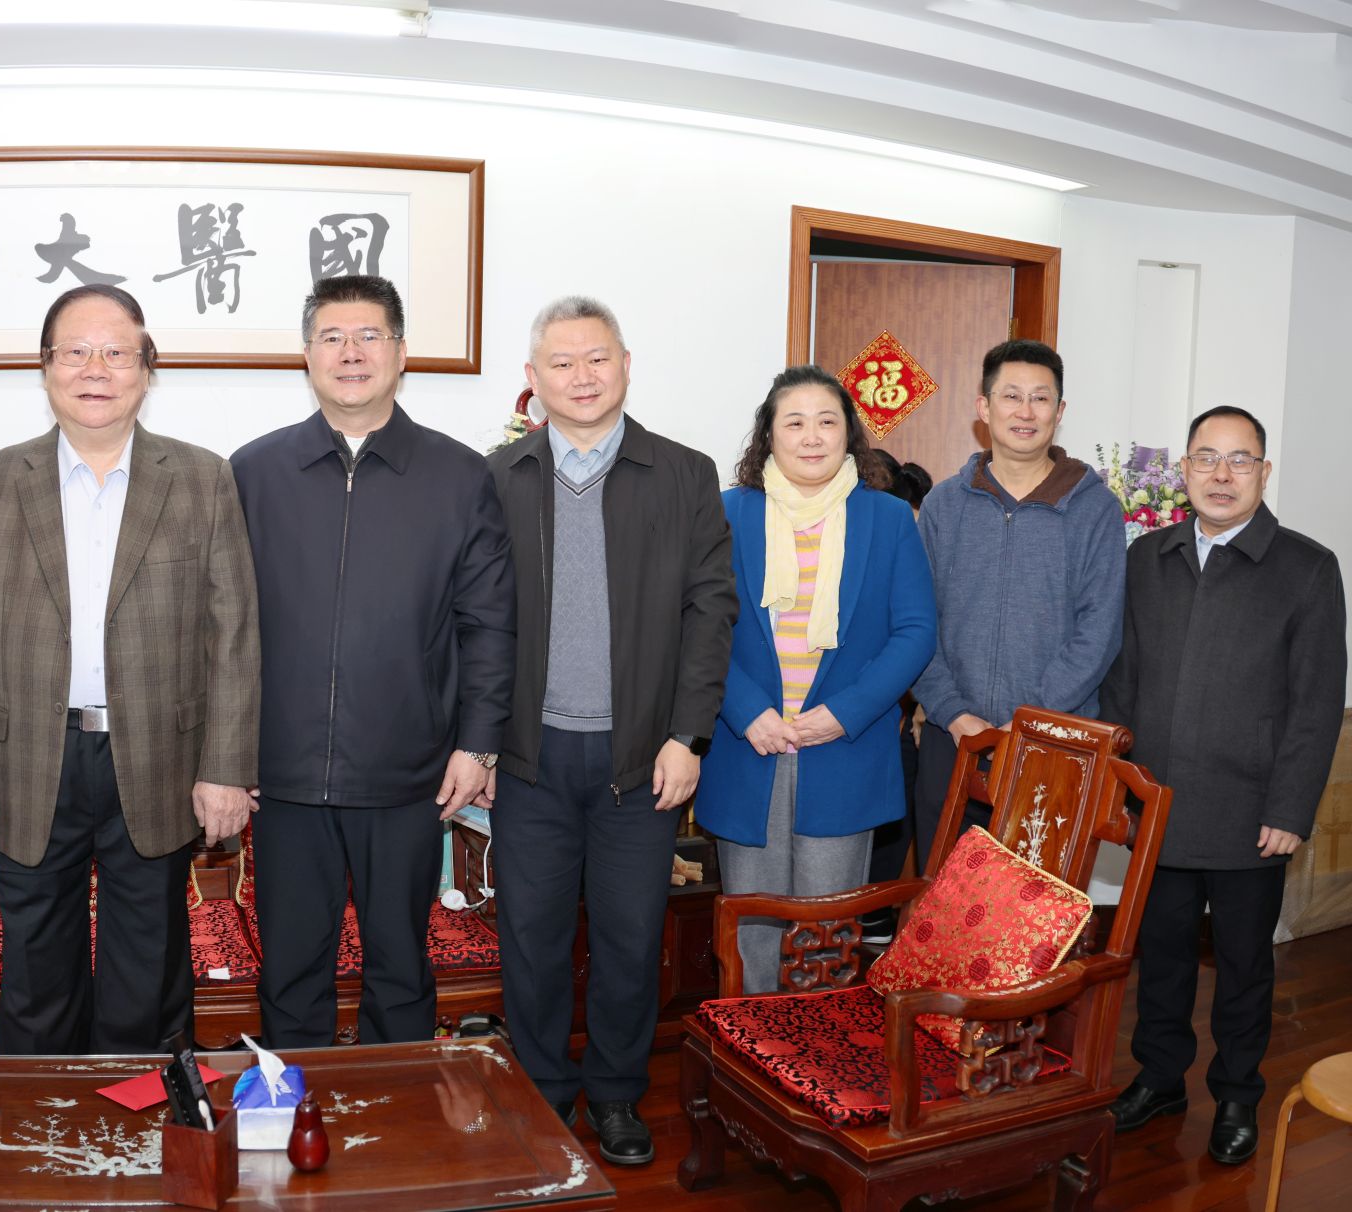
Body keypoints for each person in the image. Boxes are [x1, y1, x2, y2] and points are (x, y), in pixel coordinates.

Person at [0, 284, 260, 1054]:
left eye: (117, 352)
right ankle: (43, 1123)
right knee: (36, 978)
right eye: (75, 351)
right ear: (45, 367)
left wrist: (225, 769)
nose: (95, 369)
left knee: (148, 971)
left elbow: (234, 635)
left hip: (159, 759)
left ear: (148, 369)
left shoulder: (203, 479)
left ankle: (142, 1121)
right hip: (25, 759)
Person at [230, 274, 515, 1049]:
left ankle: (397, 1108)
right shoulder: (254, 472)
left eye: (368, 336)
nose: (350, 353)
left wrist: (478, 744)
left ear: (400, 352)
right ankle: (291, 1104)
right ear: (307, 354)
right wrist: (227, 752)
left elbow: (489, 623)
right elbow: (223, 628)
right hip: (282, 776)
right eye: (332, 337)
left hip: (408, 773)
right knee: (291, 969)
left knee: (400, 967)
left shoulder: (459, 476)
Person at [486, 297, 736, 1163]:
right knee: (533, 939)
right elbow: (473, 619)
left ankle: (619, 1095)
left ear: (625, 365)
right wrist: (479, 741)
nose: (581, 376)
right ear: (534, 379)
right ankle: (543, 1094)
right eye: (561, 363)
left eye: (597, 359)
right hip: (529, 755)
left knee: (631, 939)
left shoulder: (683, 473)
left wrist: (687, 735)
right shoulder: (500, 477)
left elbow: (711, 611)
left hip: (643, 757)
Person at [1102, 406, 1345, 1165]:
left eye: (1240, 460)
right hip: (1160, 805)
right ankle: (1160, 1078)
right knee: (1163, 956)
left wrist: (1290, 806)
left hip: (1251, 814)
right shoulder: (1148, 558)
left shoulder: (1307, 567)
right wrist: (1122, 786)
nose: (1221, 473)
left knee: (1243, 965)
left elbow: (1316, 703)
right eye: (1206, 457)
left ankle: (1238, 1092)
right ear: (1183, 470)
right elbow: (1122, 679)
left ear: (1264, 473)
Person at [694, 366, 936, 993]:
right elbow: (698, 625)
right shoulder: (726, 513)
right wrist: (746, 710)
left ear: (847, 433)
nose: (811, 436)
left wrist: (844, 713)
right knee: (752, 935)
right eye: (794, 422)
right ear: (768, 435)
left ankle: (813, 1053)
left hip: (844, 750)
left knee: (825, 940)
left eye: (827, 421)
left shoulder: (888, 518)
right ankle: (750, 1050)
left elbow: (915, 632)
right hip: (751, 745)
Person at [910, 340, 1122, 864]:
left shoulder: (1095, 509)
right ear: (984, 408)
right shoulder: (943, 504)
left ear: (1059, 411)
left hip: (1054, 743)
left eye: (1040, 398)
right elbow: (915, 622)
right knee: (943, 897)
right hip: (953, 739)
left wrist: (1028, 721)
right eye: (1010, 396)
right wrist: (952, 711)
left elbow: (1099, 631)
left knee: (1035, 901)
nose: (1025, 412)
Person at [859, 451, 933, 942]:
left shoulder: (911, 530)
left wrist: (926, 700)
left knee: (899, 807)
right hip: (856, 703)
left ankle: (875, 913)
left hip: (908, 706)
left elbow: (921, 629)